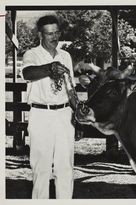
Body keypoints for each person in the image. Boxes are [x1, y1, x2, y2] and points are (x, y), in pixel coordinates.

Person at [20, 15, 76, 199]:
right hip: (41, 115)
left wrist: (77, 114)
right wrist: (49, 68)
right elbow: (28, 73)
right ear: (40, 35)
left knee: (66, 168)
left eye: (56, 32)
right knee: (41, 169)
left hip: (65, 115)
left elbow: (70, 88)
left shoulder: (65, 56)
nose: (54, 37)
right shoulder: (32, 54)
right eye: (49, 33)